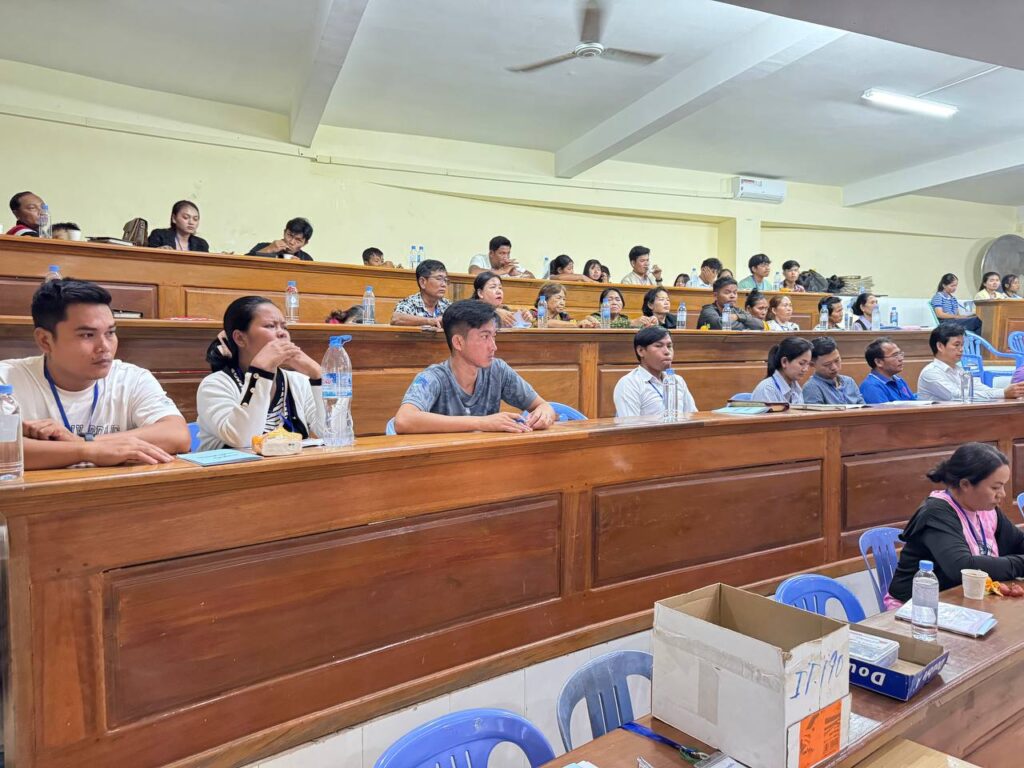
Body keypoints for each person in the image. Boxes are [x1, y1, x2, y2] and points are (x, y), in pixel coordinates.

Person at [0, 278, 189, 469]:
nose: (104, 347)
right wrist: (87, 450)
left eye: (110, 333)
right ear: (45, 341)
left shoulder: (132, 378)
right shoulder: (6, 379)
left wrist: (84, 441)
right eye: (87, 335)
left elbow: (177, 434)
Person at [886, 443, 1024, 606]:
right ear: (965, 484)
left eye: (1003, 486)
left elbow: (1018, 542)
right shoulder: (936, 513)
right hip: (917, 608)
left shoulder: (985, 509)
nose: (1002, 494)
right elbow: (963, 567)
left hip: (964, 602)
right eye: (995, 487)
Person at [394, 300, 556, 433]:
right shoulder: (433, 377)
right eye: (484, 337)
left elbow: (542, 405)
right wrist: (482, 423)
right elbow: (403, 420)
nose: (493, 347)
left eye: (493, 336)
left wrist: (544, 413)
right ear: (458, 342)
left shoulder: (498, 370)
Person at [196, 296, 325, 451]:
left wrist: (318, 376)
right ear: (240, 338)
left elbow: (333, 433)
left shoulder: (298, 381)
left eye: (284, 327)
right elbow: (242, 439)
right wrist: (260, 371)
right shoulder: (214, 385)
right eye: (270, 326)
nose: (282, 333)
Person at [917, 322, 1024, 402]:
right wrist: (1003, 393)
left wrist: (1008, 391)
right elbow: (957, 396)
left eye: (962, 345)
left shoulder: (959, 370)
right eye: (956, 345)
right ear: (940, 346)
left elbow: (981, 388)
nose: (961, 349)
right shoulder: (931, 372)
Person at [613, 326, 697, 417]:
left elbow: (692, 417)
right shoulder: (629, 383)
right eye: (658, 346)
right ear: (641, 351)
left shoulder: (677, 380)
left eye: (669, 346)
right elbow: (629, 424)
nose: (667, 352)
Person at [802, 336, 865, 405]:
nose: (834, 367)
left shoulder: (849, 381)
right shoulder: (812, 387)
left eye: (837, 360)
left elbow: (864, 408)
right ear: (812, 364)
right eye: (827, 364)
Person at [750, 336, 813, 404]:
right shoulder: (767, 390)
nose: (806, 369)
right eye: (801, 363)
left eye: (808, 364)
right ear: (784, 362)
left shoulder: (795, 386)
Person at [391, 259, 451, 328]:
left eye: (445, 280)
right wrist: (430, 321)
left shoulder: (447, 305)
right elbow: (396, 319)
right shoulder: (410, 303)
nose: (444, 284)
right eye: (439, 279)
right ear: (422, 282)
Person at [860, 337, 917, 403]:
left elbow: (913, 403)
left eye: (900, 354)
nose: (901, 359)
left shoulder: (899, 380)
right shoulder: (871, 387)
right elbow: (882, 409)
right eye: (895, 355)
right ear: (878, 362)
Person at [696, 277, 763, 331]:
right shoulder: (708, 311)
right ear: (716, 295)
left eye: (735, 292)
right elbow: (722, 326)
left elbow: (760, 325)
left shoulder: (737, 311)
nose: (732, 296)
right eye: (727, 292)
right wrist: (747, 326)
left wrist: (738, 317)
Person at [248, 218, 315, 261]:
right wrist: (268, 250)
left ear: (305, 243)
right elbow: (243, 264)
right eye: (290, 235)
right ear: (284, 232)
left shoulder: (306, 259)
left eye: (298, 240)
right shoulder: (263, 246)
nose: (291, 242)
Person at [583, 287, 651, 329]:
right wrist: (631, 323)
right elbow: (604, 326)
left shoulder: (624, 319)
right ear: (602, 304)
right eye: (609, 300)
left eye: (618, 300)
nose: (614, 302)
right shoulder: (595, 317)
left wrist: (646, 324)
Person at [467, 236, 532, 278]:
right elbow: (473, 272)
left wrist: (518, 274)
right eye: (502, 253)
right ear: (491, 253)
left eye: (508, 253)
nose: (506, 257)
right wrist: (502, 271)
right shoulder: (480, 259)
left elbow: (532, 278)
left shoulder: (510, 265)